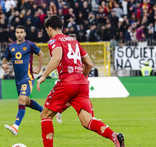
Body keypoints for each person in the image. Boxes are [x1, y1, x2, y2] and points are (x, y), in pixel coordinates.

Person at [37, 15, 125, 147]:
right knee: (86, 121)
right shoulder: (74, 41)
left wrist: (44, 75)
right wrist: (80, 79)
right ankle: (114, 136)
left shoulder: (54, 40)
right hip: (82, 83)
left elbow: (57, 56)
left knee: (45, 115)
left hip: (67, 81)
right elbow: (89, 63)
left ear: (49, 29)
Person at [2, 25, 44, 136]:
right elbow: (5, 59)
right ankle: (43, 110)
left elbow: (41, 54)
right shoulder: (11, 46)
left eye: (21, 32)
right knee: (26, 102)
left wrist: (39, 67)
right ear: (15, 34)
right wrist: (4, 65)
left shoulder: (30, 45)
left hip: (28, 78)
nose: (19, 34)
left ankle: (15, 126)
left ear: (25, 34)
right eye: (17, 32)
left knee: (21, 100)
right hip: (18, 80)